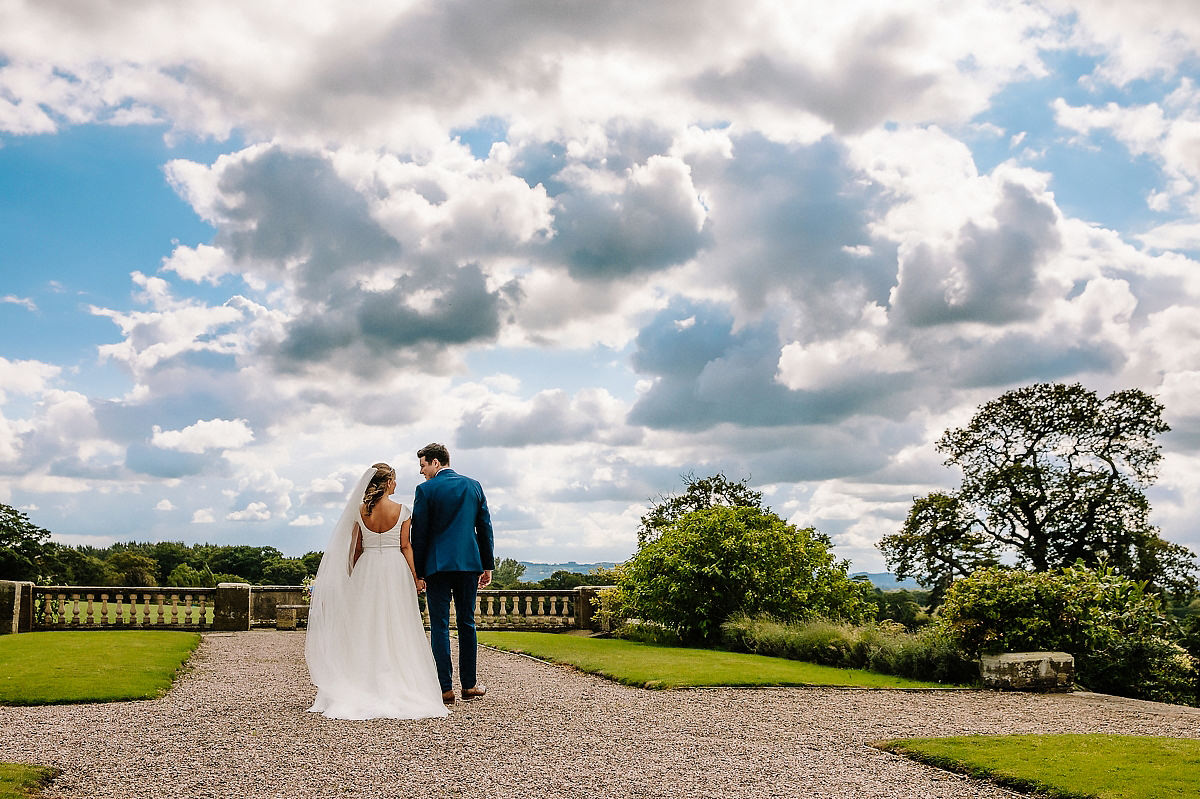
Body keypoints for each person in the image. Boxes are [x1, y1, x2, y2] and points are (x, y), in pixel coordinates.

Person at [305, 462, 449, 720]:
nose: (396, 484)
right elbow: (406, 547)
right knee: (398, 624)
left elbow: (357, 548)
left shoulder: (360, 511)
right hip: (395, 569)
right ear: (387, 483)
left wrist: (350, 575)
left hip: (367, 568)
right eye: (394, 480)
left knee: (365, 625)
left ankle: (363, 678)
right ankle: (398, 677)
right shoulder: (403, 510)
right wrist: (417, 578)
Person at [410, 443, 495, 704]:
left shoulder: (425, 490)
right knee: (467, 623)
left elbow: (420, 534)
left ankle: (445, 688)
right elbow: (484, 528)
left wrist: (420, 572)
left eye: (423, 465)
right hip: (469, 563)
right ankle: (469, 685)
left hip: (437, 566)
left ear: (436, 462)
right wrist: (487, 564)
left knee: (439, 626)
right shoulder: (474, 485)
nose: (421, 471)